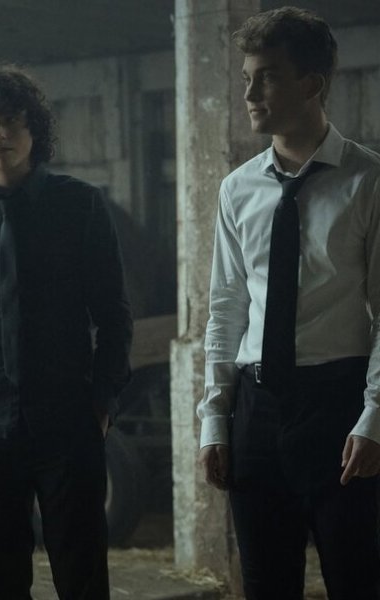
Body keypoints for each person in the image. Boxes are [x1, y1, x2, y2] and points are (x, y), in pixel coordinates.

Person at [0, 62, 132, 599]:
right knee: (3, 582)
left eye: (10, 121)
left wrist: (104, 400)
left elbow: (113, 312)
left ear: (33, 127)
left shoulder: (80, 205)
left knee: (82, 580)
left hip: (67, 422)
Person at [197, 7, 380, 599]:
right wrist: (214, 420)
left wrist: (375, 418)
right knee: (265, 587)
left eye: (267, 77)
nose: (249, 95)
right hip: (257, 411)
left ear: (311, 84)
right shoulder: (237, 188)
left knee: (357, 582)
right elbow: (226, 307)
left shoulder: (369, 182)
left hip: (339, 406)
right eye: (246, 78)